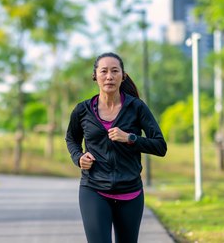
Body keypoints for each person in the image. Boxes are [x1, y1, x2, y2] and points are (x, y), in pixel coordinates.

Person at [65, 52, 167, 243]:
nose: (109, 76)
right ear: (95, 76)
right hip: (93, 188)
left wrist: (130, 138)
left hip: (130, 191)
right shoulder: (82, 110)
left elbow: (160, 146)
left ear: (123, 76)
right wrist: (78, 157)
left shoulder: (137, 107)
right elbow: (71, 138)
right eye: (104, 71)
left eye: (114, 71)